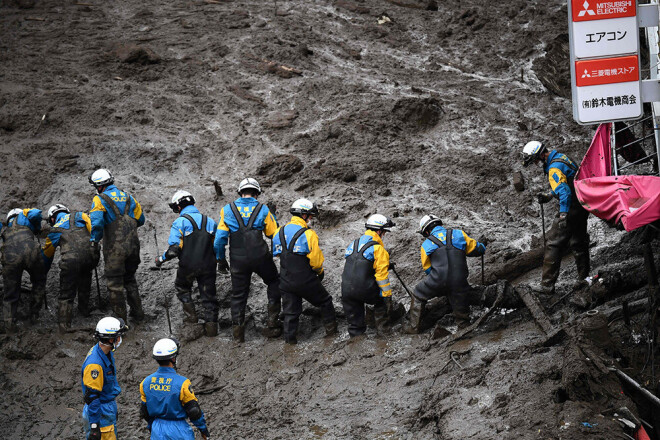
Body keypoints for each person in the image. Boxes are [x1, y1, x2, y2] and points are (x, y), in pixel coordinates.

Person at [213, 178, 281, 343]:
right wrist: (272, 216)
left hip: (238, 259)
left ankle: (238, 336)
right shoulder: (262, 209)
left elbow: (220, 239)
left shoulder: (227, 210)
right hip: (260, 256)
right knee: (274, 282)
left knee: (238, 296)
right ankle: (272, 322)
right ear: (256, 193)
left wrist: (221, 260)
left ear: (240, 192)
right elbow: (275, 234)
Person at [522, 140, 590, 294]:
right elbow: (567, 181)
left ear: (540, 156)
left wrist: (563, 215)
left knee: (553, 243)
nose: (535, 165)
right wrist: (550, 195)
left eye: (534, 161)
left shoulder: (553, 169)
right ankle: (583, 278)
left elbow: (565, 192)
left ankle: (547, 285)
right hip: (583, 203)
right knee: (578, 241)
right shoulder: (561, 158)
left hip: (571, 206)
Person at [403, 215, 486, 333]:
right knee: (461, 307)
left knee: (418, 293)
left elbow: (427, 269)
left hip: (438, 279)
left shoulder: (426, 244)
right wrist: (482, 246)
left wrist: (439, 283)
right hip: (460, 281)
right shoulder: (459, 234)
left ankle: (413, 329)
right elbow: (477, 250)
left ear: (426, 231)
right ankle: (464, 328)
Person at [272, 198, 337, 344]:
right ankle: (332, 334)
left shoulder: (278, 232)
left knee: (290, 313)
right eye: (310, 216)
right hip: (305, 279)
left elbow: (276, 254)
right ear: (304, 215)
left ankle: (289, 344)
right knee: (325, 301)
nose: (311, 219)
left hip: (285, 280)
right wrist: (320, 273)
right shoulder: (309, 234)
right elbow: (316, 261)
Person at [155, 191, 219, 337]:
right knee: (209, 296)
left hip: (188, 266)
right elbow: (217, 245)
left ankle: (191, 320)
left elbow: (174, 250)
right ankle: (212, 330)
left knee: (183, 287)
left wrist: (161, 259)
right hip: (209, 266)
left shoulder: (180, 222)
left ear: (178, 207)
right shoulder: (209, 221)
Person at [89, 169, 145, 323]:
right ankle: (138, 315)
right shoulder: (129, 197)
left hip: (115, 250)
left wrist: (94, 241)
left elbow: (97, 223)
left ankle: (121, 322)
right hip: (133, 247)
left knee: (115, 284)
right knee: (130, 279)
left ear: (99, 186)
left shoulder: (99, 199)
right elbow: (141, 219)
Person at [42, 204, 100, 332]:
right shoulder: (80, 215)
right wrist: (95, 249)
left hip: (70, 262)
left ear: (52, 219)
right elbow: (94, 228)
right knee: (85, 275)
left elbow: (47, 255)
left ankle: (64, 325)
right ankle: (84, 311)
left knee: (66, 293)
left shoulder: (54, 230)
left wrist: (42, 273)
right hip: (90, 257)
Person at [139, 338, 210, 440]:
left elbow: (144, 411)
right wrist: (203, 429)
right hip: (178, 430)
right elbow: (194, 411)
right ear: (173, 358)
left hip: (157, 428)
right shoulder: (183, 383)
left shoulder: (145, 382)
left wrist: (151, 426)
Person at [341, 214, 395, 337]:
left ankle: (356, 340)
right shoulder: (378, 249)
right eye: (384, 232)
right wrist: (387, 296)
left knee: (355, 326)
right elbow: (382, 277)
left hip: (346, 290)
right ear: (379, 231)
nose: (384, 235)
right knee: (381, 302)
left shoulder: (353, 244)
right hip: (364, 291)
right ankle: (384, 334)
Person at [81, 316, 128, 440]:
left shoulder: (104, 352)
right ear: (111, 339)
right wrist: (95, 427)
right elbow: (92, 396)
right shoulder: (95, 365)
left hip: (106, 407)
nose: (120, 339)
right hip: (100, 412)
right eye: (118, 336)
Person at [1, 208, 46, 332]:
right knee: (39, 281)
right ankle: (34, 316)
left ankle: (9, 325)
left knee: (10, 291)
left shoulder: (5, 230)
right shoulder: (23, 217)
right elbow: (36, 213)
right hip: (30, 250)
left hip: (10, 254)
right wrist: (36, 227)